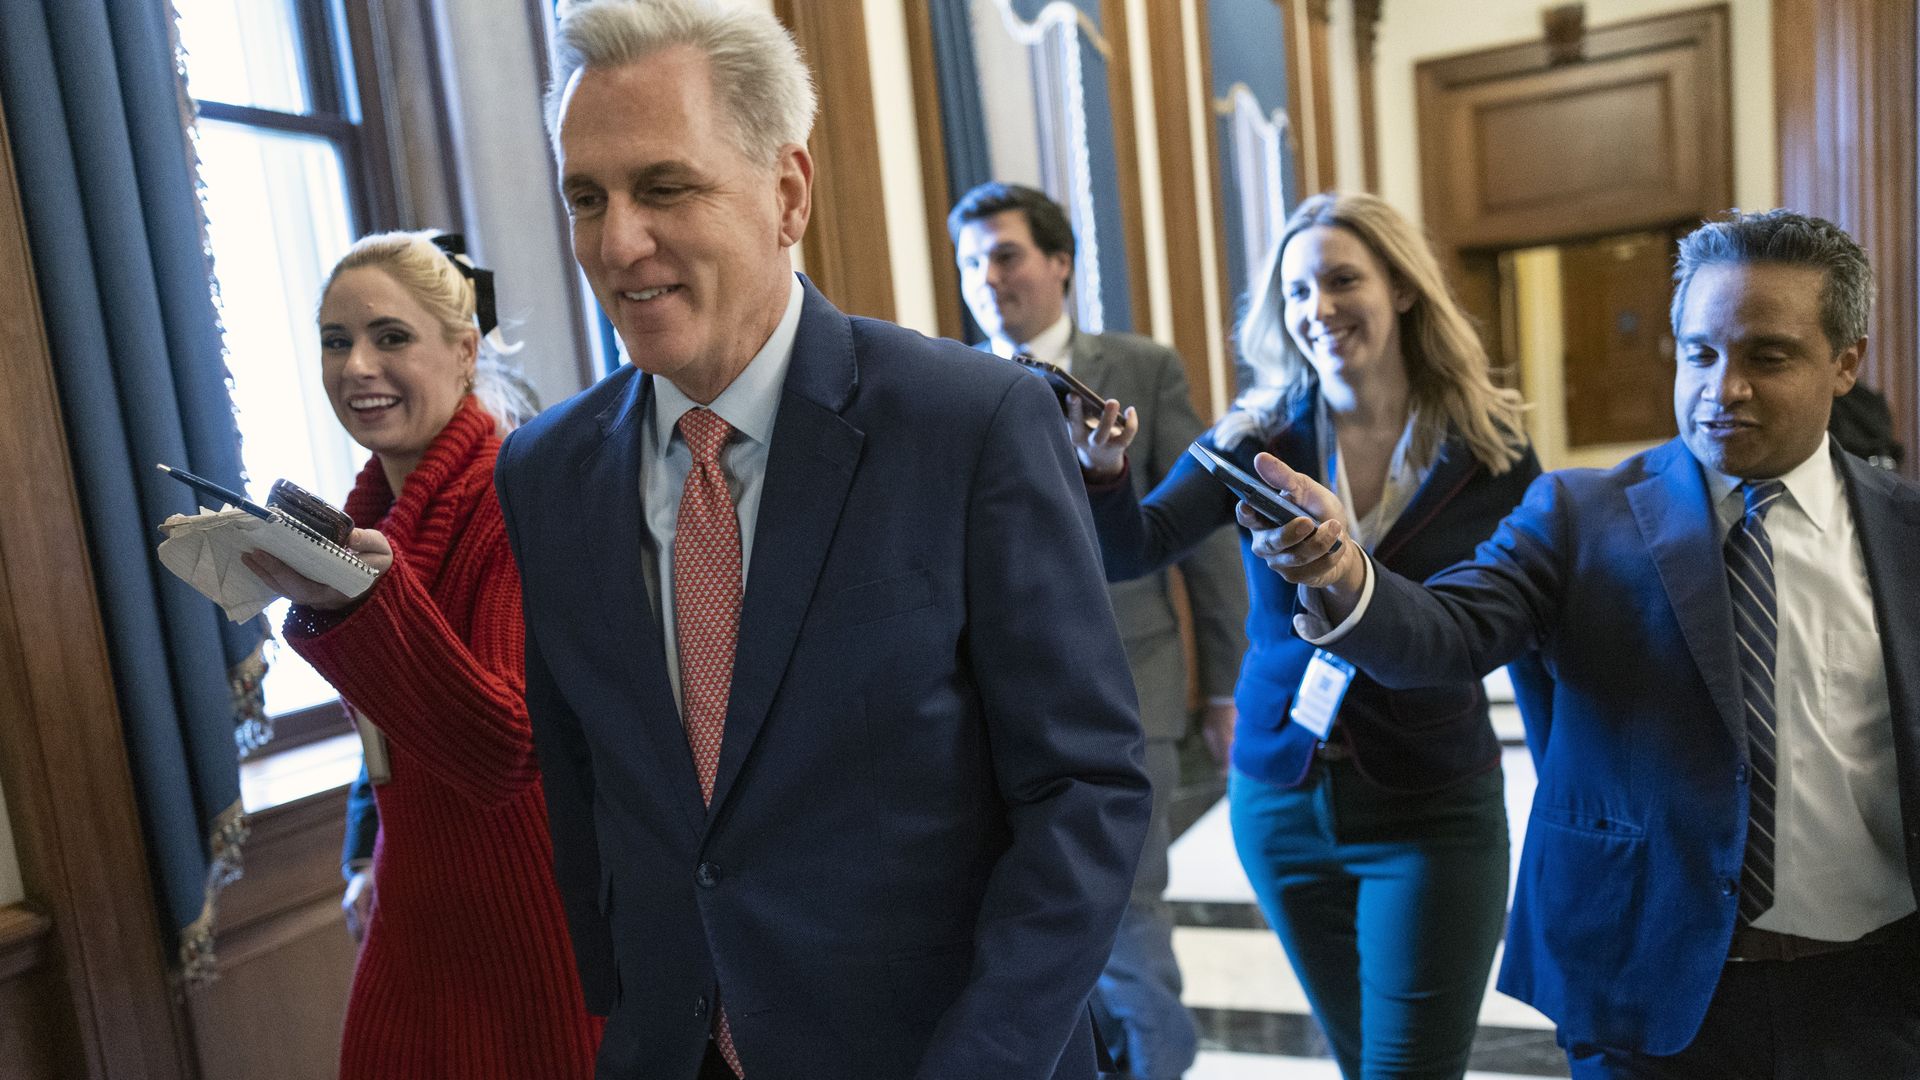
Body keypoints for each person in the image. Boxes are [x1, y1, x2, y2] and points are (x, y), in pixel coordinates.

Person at [495, 3, 1152, 1078]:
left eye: (665, 187)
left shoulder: (971, 423)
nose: (617, 243)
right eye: (586, 198)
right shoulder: (546, 471)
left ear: (788, 191)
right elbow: (581, 772)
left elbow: (1084, 787)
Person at [1252, 208, 1920, 1078]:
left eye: (1769, 356)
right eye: (1700, 354)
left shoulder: (1904, 537)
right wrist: (1344, 573)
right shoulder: (1581, 516)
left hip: (1870, 994)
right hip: (1644, 990)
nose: (1725, 390)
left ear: (1846, 363)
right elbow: (1445, 635)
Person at [1079, 191, 1543, 1079]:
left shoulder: (1489, 447)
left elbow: (1523, 611)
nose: (1317, 309)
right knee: (1358, 1055)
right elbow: (1132, 548)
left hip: (1431, 800)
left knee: (1408, 1068)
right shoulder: (1256, 437)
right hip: (1280, 796)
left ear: (1402, 289)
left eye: (1341, 280)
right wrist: (1102, 475)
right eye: (1296, 292)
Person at [241, 230, 601, 1078]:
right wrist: (365, 852)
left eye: (390, 337)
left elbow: (508, 746)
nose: (357, 365)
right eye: (336, 342)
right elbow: (395, 736)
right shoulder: (365, 514)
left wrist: (360, 606)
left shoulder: (519, 494)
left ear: (464, 348)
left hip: (532, 917)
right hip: (416, 902)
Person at [948, 180, 1247, 1080]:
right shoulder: (950, 386)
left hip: (1131, 682)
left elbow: (1199, 534)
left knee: (1125, 910)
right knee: (1033, 925)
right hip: (996, 703)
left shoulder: (1142, 370)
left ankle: (1162, 1062)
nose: (986, 279)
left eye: (1003, 255)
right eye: (969, 262)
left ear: (1059, 264)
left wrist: (1226, 682)